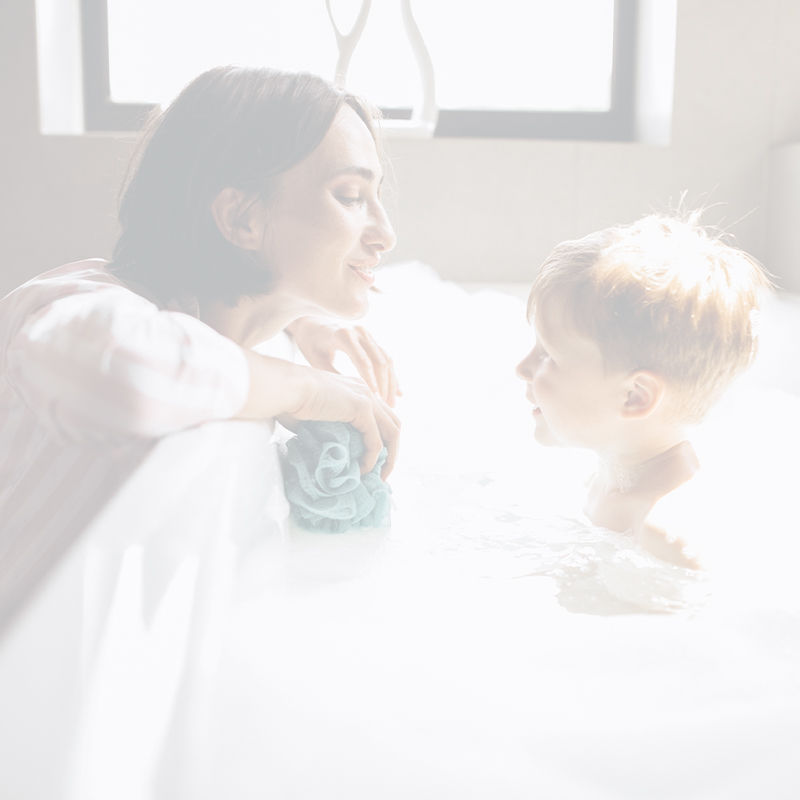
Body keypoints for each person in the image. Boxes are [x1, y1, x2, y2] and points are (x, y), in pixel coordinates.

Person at [0, 66, 401, 627]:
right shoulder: (74, 300)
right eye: (352, 196)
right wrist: (307, 389)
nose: (386, 233)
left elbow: (201, 335)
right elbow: (120, 374)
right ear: (241, 218)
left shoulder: (211, 328)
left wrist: (292, 318)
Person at [515, 214, 769, 567]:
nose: (522, 368)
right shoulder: (603, 477)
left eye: (548, 355)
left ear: (635, 396)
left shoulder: (668, 535)